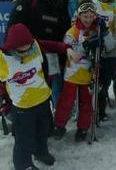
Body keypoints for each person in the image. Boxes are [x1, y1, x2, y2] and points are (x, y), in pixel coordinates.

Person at [0, 23, 79, 170]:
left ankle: (41, 152)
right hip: (22, 107)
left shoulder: (35, 45)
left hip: (43, 100)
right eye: (21, 51)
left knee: (43, 131)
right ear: (11, 47)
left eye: (28, 48)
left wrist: (67, 49)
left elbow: (55, 45)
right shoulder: (3, 59)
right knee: (24, 139)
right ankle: (23, 165)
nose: (26, 53)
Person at [53, 0, 112, 141]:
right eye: (85, 16)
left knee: (87, 102)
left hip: (89, 74)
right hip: (73, 73)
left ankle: (83, 127)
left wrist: (105, 35)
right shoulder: (72, 31)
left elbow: (110, 47)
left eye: (91, 16)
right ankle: (59, 125)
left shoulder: (97, 29)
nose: (88, 19)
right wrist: (86, 46)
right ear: (79, 16)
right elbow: (70, 51)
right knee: (66, 101)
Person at [7, 0, 66, 108]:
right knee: (31, 90)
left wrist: (63, 57)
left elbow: (61, 31)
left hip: (51, 56)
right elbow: (13, 31)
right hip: (28, 57)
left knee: (50, 89)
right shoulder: (27, 2)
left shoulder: (57, 2)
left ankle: (48, 122)